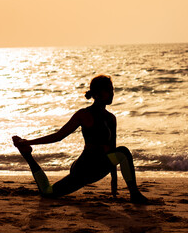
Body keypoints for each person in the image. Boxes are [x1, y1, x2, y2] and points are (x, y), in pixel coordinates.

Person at [12, 75, 148, 203]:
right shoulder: (84, 114)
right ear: (96, 94)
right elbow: (59, 136)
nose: (112, 94)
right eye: (108, 90)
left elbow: (113, 151)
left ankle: (134, 194)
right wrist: (27, 142)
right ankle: (27, 154)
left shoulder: (111, 118)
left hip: (101, 166)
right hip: (84, 168)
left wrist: (114, 182)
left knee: (123, 151)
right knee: (48, 192)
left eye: (112, 90)